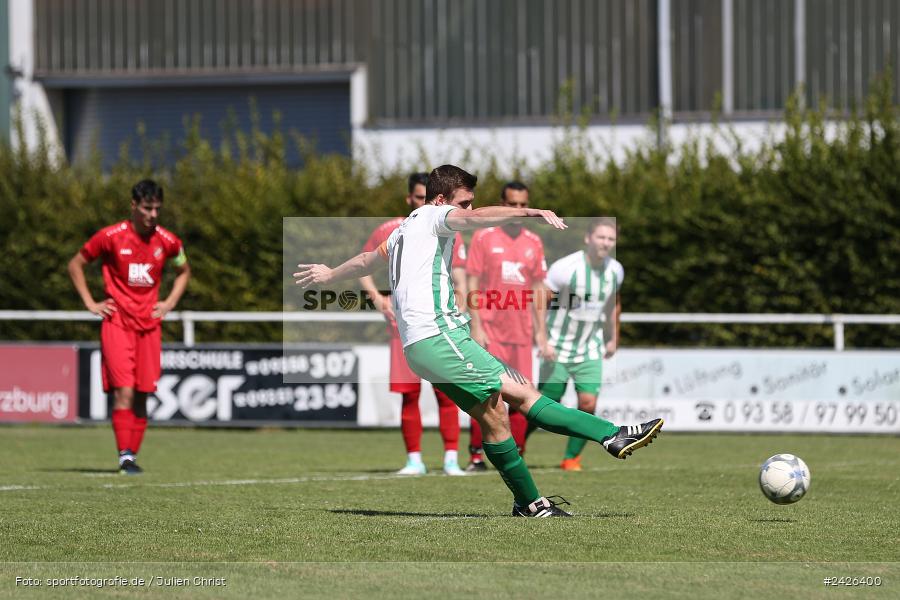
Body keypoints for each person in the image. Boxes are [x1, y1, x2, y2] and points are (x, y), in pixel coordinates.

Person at [295, 165, 662, 517]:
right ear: (440, 200)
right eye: (463, 202)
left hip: (421, 347)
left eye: (470, 203)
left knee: (495, 417)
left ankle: (530, 504)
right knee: (524, 394)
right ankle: (612, 434)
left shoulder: (403, 229)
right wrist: (529, 211)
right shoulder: (433, 216)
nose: (467, 210)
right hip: (439, 338)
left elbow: (364, 261)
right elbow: (473, 219)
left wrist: (329, 274)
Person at [68, 180, 190, 475]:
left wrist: (169, 302)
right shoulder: (110, 237)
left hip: (149, 325)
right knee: (123, 390)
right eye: (147, 208)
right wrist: (90, 302)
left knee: (143, 392)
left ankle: (131, 455)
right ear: (133, 206)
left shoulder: (168, 241)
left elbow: (184, 271)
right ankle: (124, 456)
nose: (153, 215)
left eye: (157, 209)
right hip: (118, 322)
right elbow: (76, 264)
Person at [359, 173, 468, 476]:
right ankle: (414, 460)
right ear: (410, 199)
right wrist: (379, 300)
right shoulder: (391, 229)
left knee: (447, 392)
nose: (425, 203)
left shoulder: (447, 226)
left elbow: (459, 273)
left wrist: (460, 296)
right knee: (409, 394)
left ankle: (450, 459)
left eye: (428, 197)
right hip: (403, 326)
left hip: (438, 322)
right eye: (419, 198)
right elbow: (364, 264)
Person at [465, 181, 546, 471]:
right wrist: (476, 325)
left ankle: (517, 454)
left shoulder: (534, 242)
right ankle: (477, 453)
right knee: (487, 394)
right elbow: (472, 282)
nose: (518, 210)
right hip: (490, 330)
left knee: (525, 395)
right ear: (502, 204)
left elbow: (538, 288)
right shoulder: (483, 238)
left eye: (523, 205)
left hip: (521, 333)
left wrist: (542, 334)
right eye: (512, 204)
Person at [530, 217, 623, 472]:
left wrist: (613, 336)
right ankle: (518, 444)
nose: (605, 242)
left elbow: (613, 304)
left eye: (610, 239)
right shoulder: (566, 267)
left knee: (588, 404)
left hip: (589, 348)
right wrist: (542, 339)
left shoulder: (615, 270)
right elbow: (540, 300)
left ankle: (571, 458)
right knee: (544, 403)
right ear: (588, 238)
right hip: (557, 346)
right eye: (601, 237)